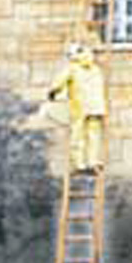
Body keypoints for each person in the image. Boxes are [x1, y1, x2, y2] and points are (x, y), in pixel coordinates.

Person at [48, 42, 107, 171]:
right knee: (94, 134)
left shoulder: (72, 68)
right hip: (96, 106)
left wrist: (53, 92)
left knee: (78, 134)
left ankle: (79, 162)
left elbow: (59, 81)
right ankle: (92, 161)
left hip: (80, 104)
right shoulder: (96, 69)